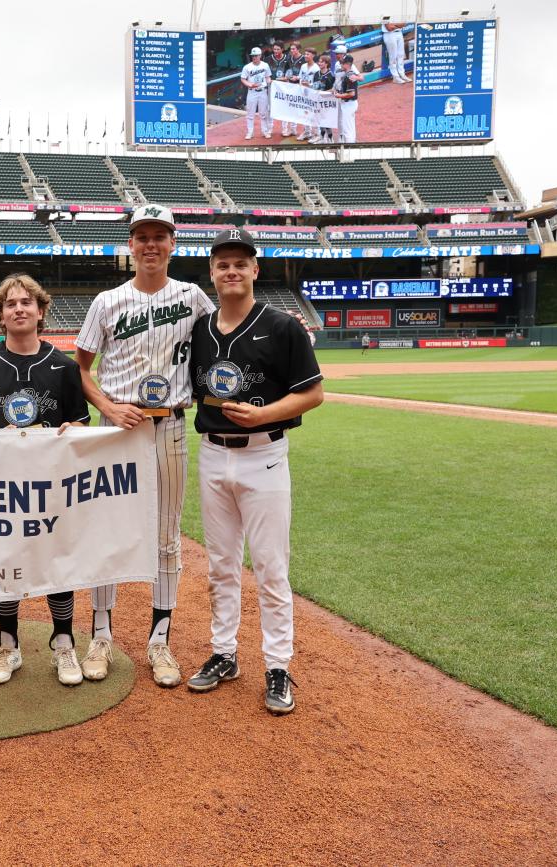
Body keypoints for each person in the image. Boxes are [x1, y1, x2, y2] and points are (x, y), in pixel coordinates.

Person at [74, 203, 216, 688]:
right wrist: (109, 408)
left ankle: (159, 641)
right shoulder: (107, 302)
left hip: (169, 427)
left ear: (173, 244)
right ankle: (101, 635)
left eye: (160, 236)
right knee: (105, 532)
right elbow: (82, 369)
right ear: (131, 245)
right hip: (114, 431)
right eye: (142, 236)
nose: (151, 244)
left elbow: (220, 347)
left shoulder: (195, 297)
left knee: (166, 535)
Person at [187, 227, 323, 715]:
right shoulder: (200, 329)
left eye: (240, 263)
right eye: (223, 264)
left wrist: (266, 414)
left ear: (254, 270)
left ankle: (278, 666)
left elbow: (313, 392)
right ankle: (225, 655)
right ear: (212, 273)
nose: (231, 271)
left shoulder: (283, 326)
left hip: (264, 454)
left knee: (269, 568)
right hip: (212, 453)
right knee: (221, 565)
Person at [0, 274, 90, 687]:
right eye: (10, 304)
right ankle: (8, 643)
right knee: (6, 561)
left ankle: (63, 642)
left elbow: (79, 424)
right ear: (0, 315)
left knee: (56, 559)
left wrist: (64, 433)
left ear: (41, 310)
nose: (18, 309)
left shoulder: (64, 368)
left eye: (26, 302)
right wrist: (1, 441)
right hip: (2, 485)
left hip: (51, 483)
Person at [241, 46, 272, 140]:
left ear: (260, 56)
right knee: (250, 114)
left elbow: (268, 77)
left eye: (256, 55)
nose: (254, 57)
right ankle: (250, 132)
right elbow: (243, 79)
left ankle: (265, 131)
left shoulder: (265, 65)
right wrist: (250, 85)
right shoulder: (247, 67)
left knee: (264, 113)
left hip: (263, 91)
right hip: (252, 92)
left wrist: (269, 82)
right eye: (253, 55)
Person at [333, 53, 362, 144]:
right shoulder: (348, 74)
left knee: (347, 129)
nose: (340, 65)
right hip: (349, 104)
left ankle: (348, 150)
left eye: (342, 63)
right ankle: (351, 145)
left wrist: (339, 96)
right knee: (350, 127)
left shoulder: (350, 76)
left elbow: (351, 93)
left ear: (347, 64)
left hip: (349, 104)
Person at [309, 55, 336, 144]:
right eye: (319, 62)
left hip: (327, 101)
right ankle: (321, 137)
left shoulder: (331, 75)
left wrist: (322, 93)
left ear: (326, 63)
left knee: (326, 120)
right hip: (318, 101)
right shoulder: (316, 74)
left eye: (322, 62)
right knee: (319, 119)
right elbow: (314, 86)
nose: (319, 63)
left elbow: (333, 89)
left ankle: (330, 138)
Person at [295, 49, 319, 141]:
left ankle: (317, 134)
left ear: (313, 55)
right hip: (304, 93)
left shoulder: (316, 68)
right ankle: (307, 132)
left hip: (313, 94)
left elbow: (318, 83)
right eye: (305, 54)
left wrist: (309, 85)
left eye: (307, 54)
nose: (305, 56)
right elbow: (300, 78)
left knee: (314, 114)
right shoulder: (303, 66)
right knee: (305, 113)